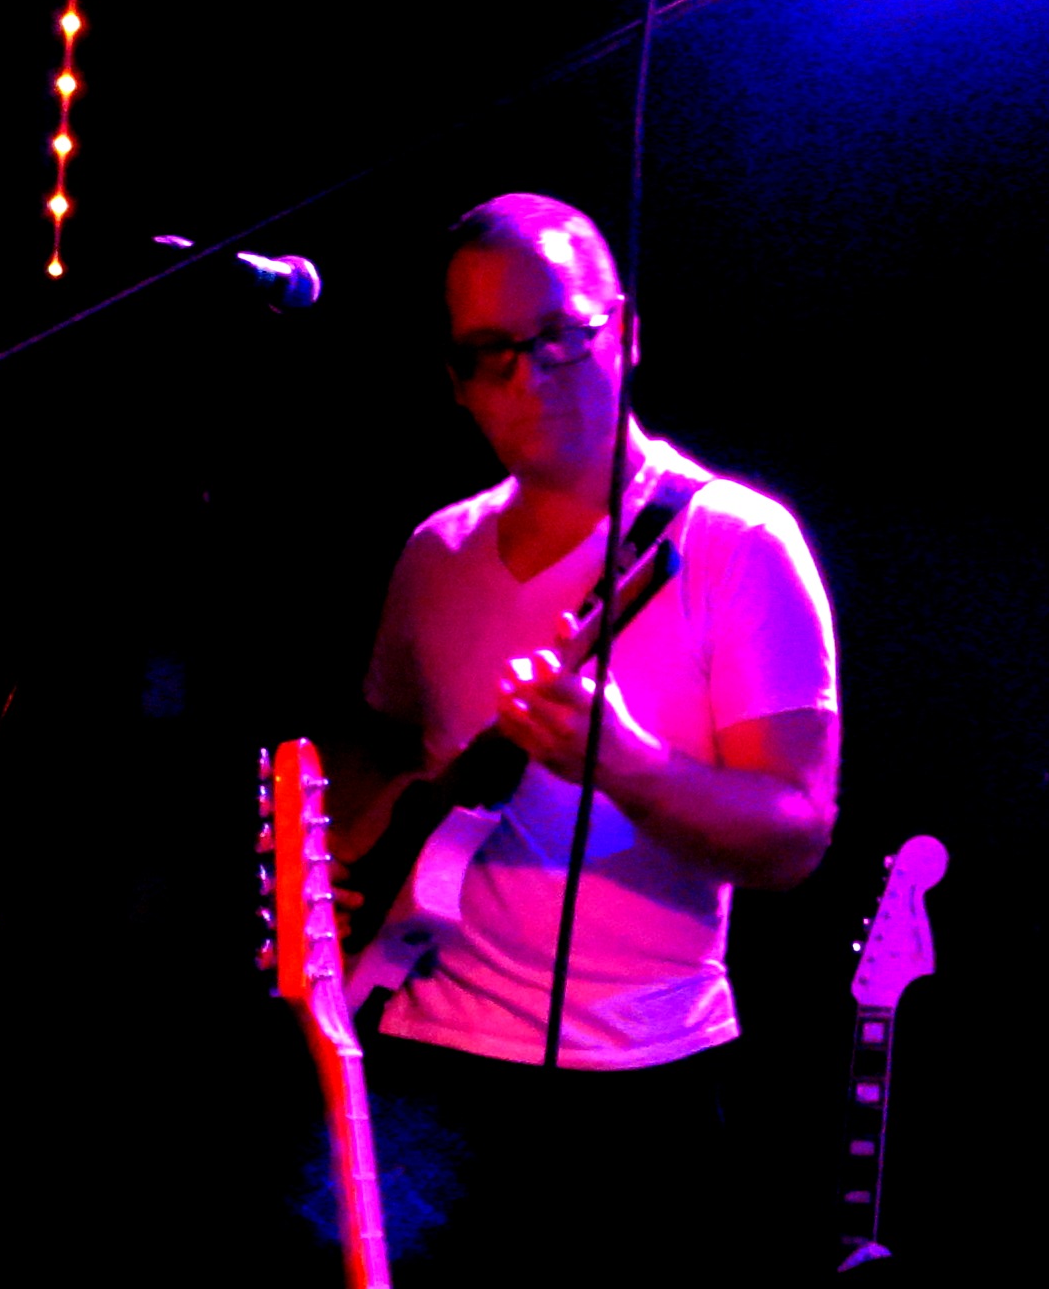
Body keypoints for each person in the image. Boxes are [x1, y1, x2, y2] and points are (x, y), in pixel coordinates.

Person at [334, 192, 840, 1282]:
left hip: (637, 1084)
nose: (531, 376)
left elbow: (797, 830)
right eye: (491, 353)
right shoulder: (435, 554)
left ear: (627, 331)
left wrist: (631, 766)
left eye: (561, 335)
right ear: (457, 381)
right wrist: (335, 852)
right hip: (423, 1058)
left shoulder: (738, 543)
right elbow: (381, 746)